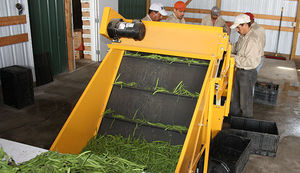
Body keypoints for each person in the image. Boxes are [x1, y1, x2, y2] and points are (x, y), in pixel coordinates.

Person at [229, 14, 262, 118]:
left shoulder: (252, 40)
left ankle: (246, 122)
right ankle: (234, 119)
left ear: (245, 25)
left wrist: (233, 57)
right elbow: (235, 48)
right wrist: (226, 46)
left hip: (247, 73)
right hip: (239, 70)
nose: (237, 30)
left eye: (238, 27)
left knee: (245, 101)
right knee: (235, 99)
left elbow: (250, 62)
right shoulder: (242, 37)